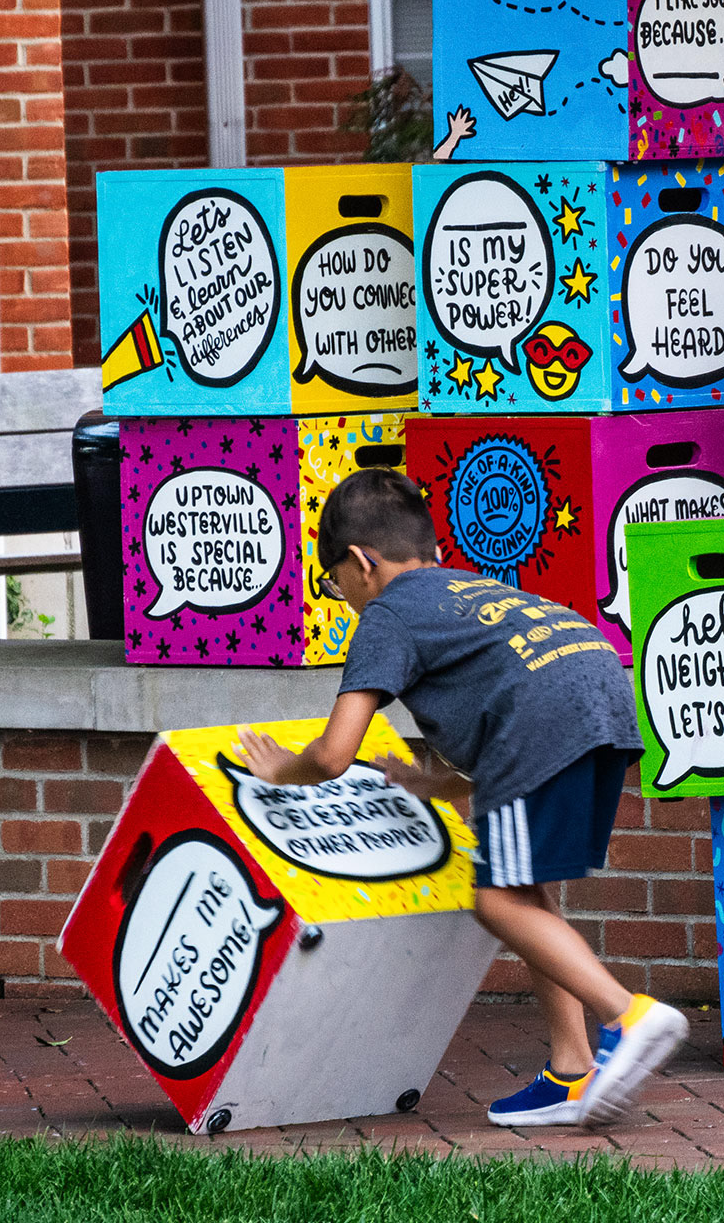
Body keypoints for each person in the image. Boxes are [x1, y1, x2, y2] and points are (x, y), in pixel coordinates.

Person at [236, 468, 687, 1128]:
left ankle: (629, 1014)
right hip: (603, 690)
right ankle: (570, 1070)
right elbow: (525, 699)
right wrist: (442, 784)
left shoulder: (387, 614)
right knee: (525, 886)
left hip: (544, 717)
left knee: (495, 896)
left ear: (361, 563)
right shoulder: (469, 592)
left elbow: (333, 756)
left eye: (336, 586)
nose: (346, 599)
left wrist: (280, 769)